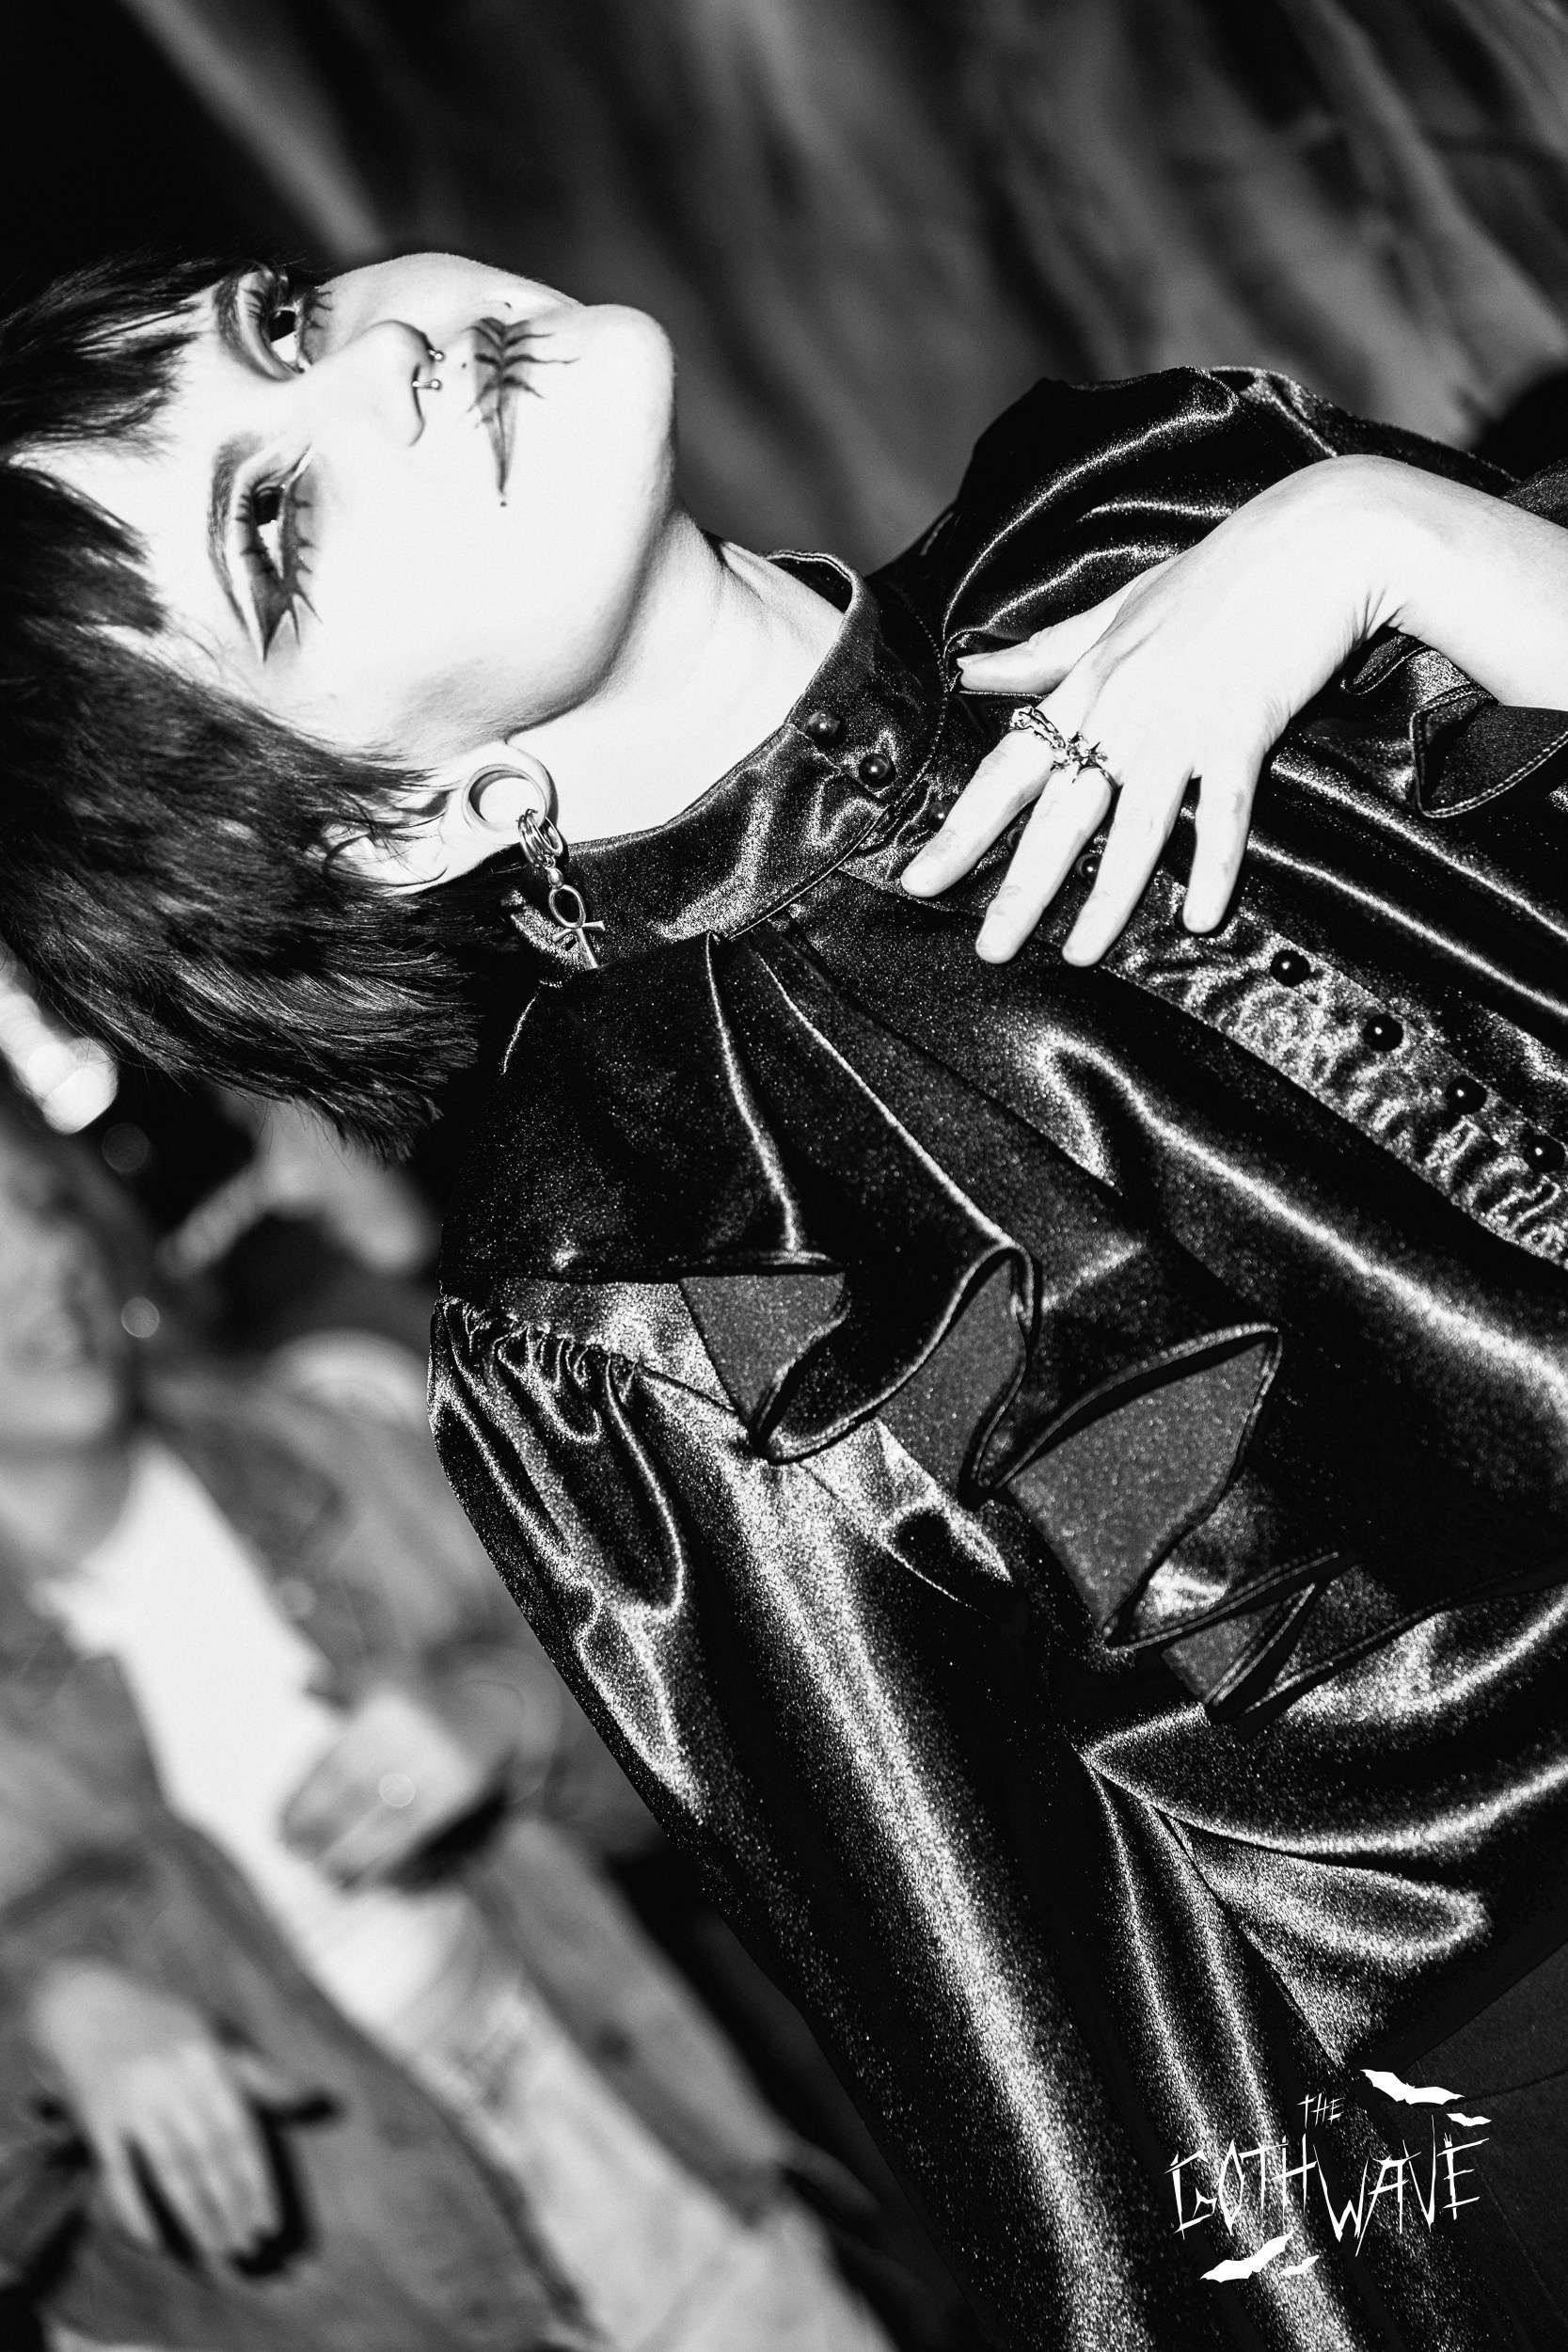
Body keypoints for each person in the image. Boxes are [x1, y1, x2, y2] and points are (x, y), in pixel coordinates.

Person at [4, 250, 1568, 2348]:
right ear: (395, 820)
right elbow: (1097, 2088)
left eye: (280, 321)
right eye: (272, 527)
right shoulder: (641, 1273)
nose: (379, 359)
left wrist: (1413, 544)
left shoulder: (1164, 492)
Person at [0, 1094, 893, 2352]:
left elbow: (701, 1754)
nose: (43, 1260)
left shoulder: (316, 1447)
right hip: (313, 2309)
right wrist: (50, 2026)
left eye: (37, 1207)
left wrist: (497, 1717)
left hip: (623, 2140)